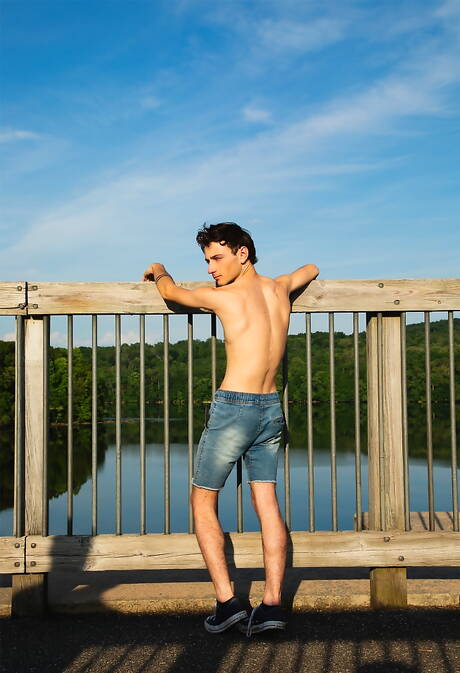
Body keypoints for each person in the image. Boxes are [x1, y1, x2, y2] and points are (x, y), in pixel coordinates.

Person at [143, 222, 319, 636]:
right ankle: (272, 605)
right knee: (266, 502)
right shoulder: (279, 288)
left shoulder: (222, 297)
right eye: (207, 260)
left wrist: (158, 269)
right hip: (271, 408)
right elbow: (310, 269)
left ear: (243, 254)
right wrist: (295, 277)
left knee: (203, 500)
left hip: (234, 408)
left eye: (217, 258)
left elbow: (171, 293)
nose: (210, 269)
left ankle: (227, 604)